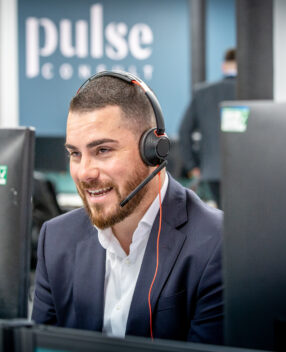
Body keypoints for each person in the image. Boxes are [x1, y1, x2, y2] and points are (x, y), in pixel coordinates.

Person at [32, 71, 223, 345]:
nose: (84, 172)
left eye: (103, 151)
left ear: (153, 150)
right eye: (75, 153)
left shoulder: (216, 243)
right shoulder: (56, 240)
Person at [179, 48, 237, 208]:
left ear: (224, 66)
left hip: (212, 171)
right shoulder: (251, 91)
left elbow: (184, 132)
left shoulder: (203, 93)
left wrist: (192, 166)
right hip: (245, 170)